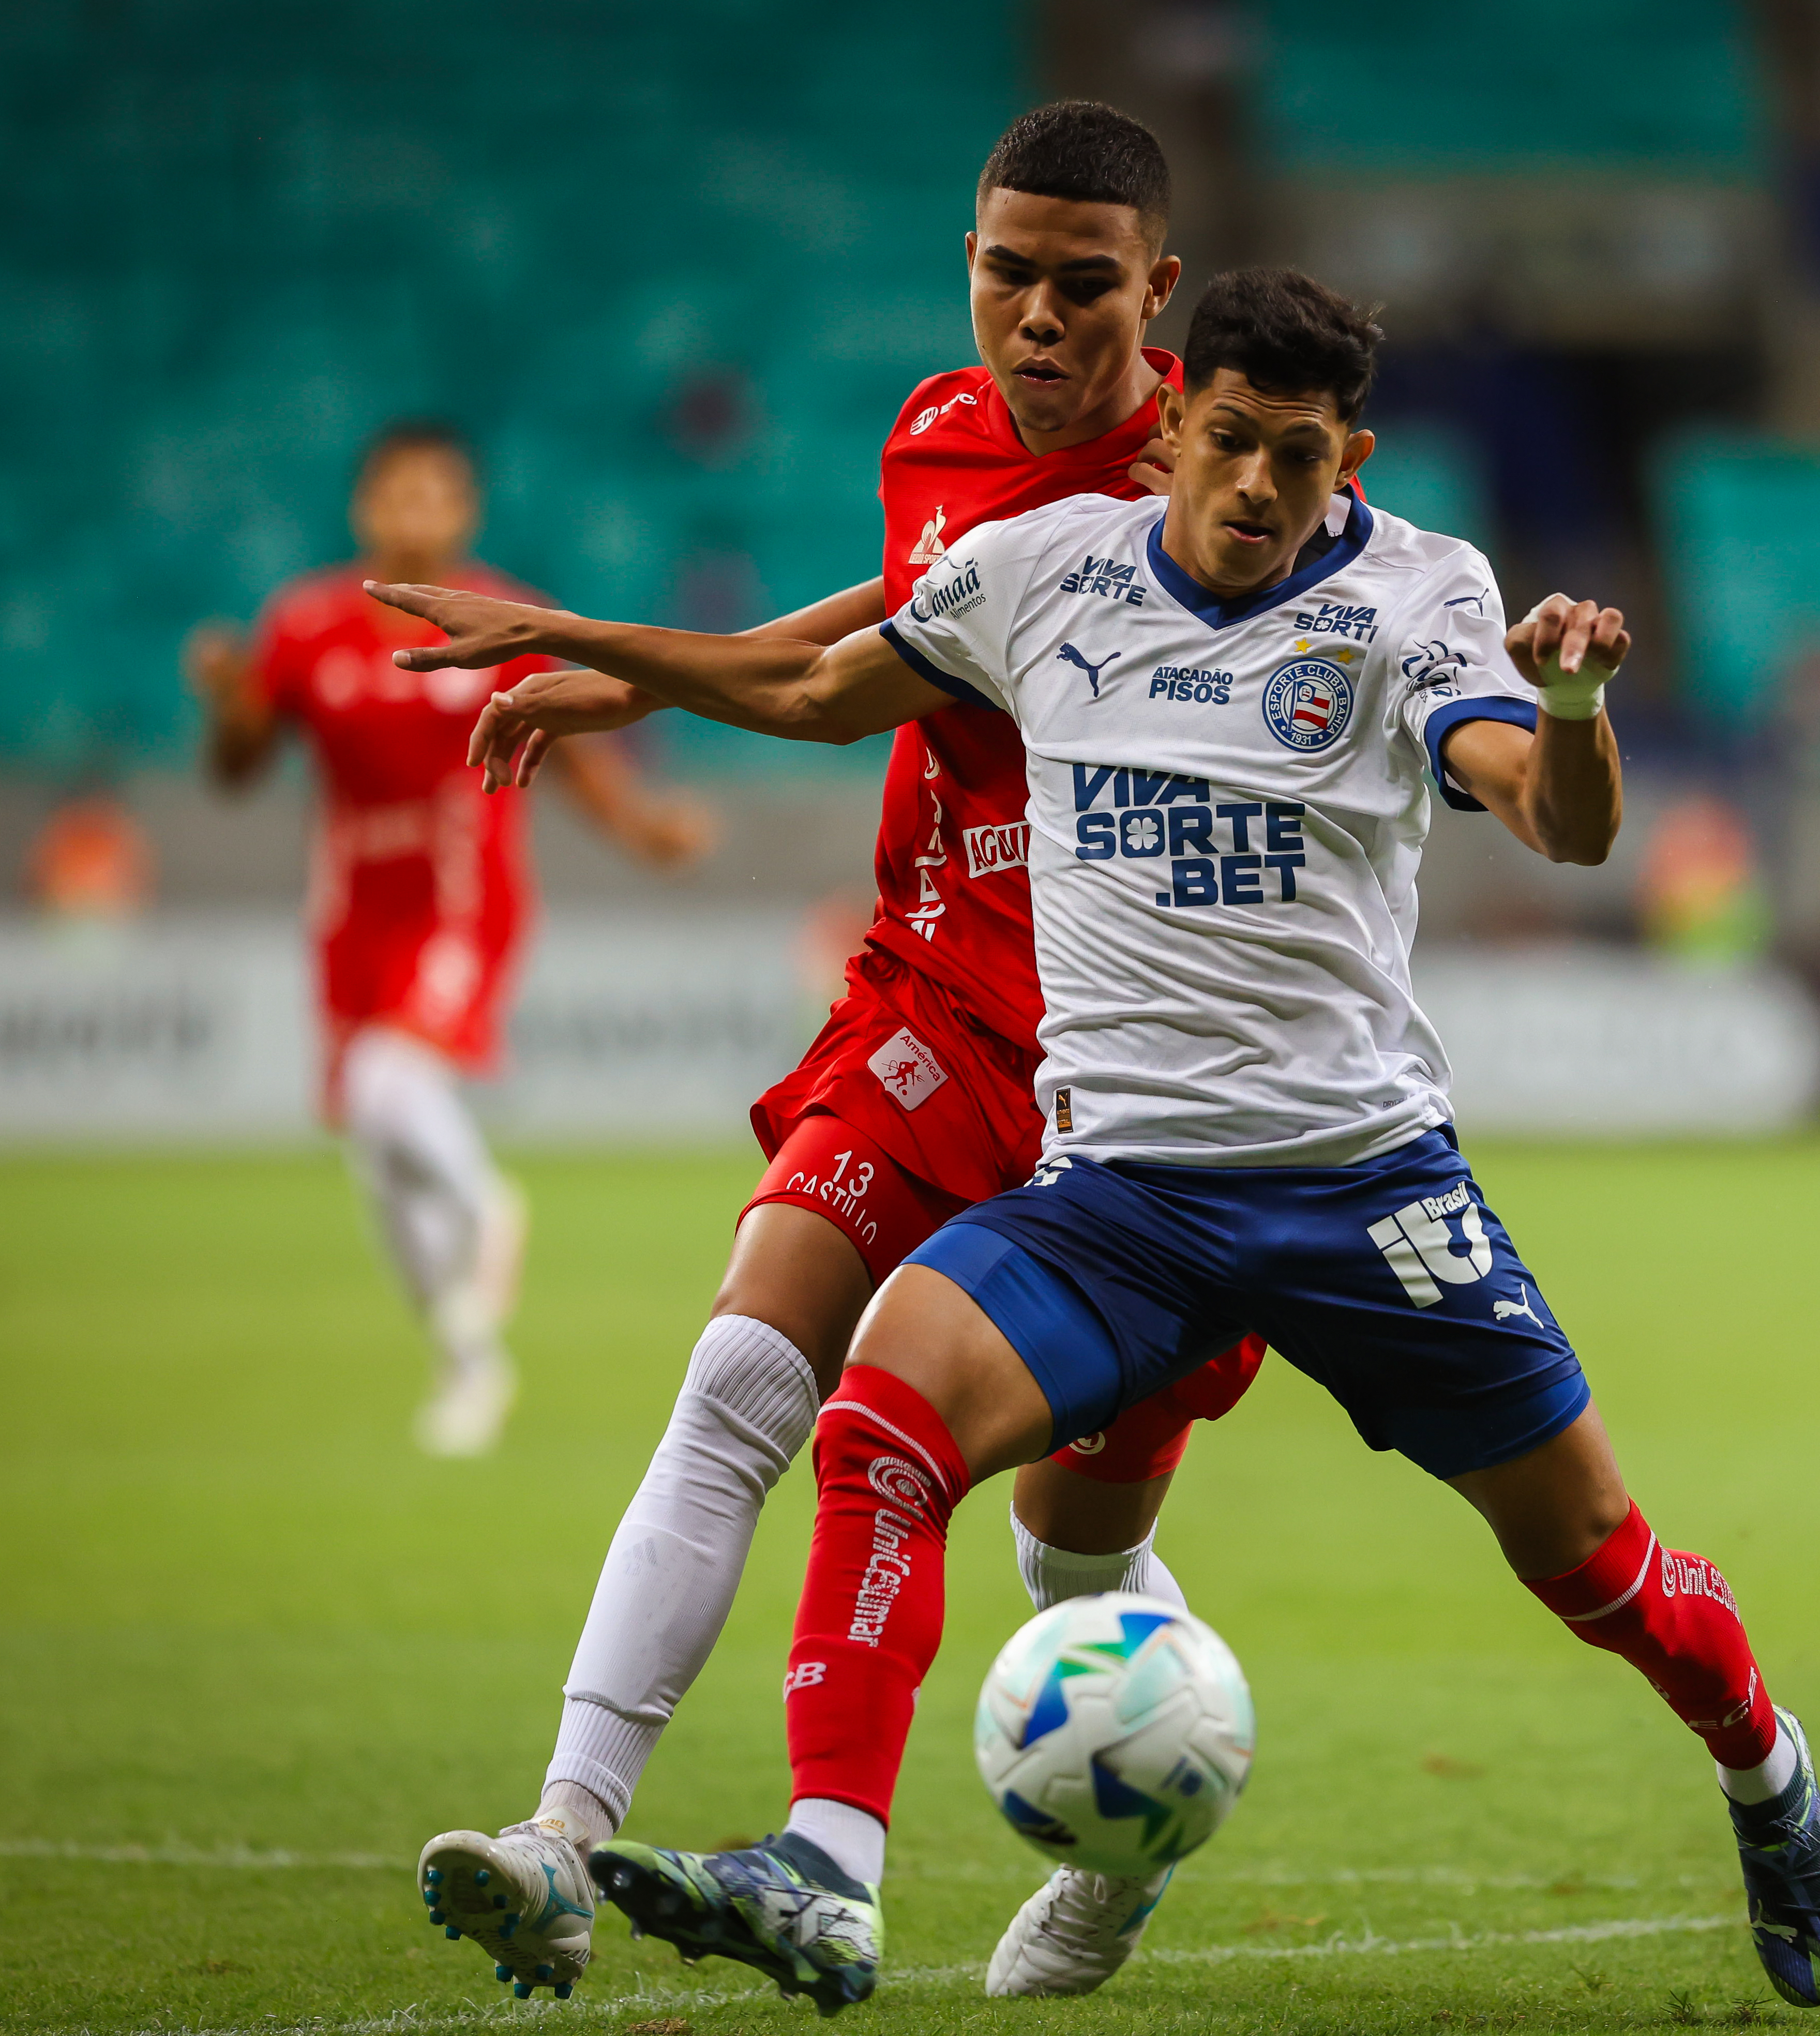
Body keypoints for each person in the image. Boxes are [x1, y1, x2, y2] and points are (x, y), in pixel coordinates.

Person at [380, 265, 1820, 2016]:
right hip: (1120, 1198)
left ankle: (1766, 1771)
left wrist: (1569, 707)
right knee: (876, 1416)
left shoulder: (1418, 592)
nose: (1258, 485)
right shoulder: (1038, 572)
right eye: (1230, 440)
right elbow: (814, 693)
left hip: (1361, 1191)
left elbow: (1561, 820)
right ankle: (827, 1866)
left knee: (1594, 1562)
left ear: (1349, 460)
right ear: (1173, 429)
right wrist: (582, 645)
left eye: (1299, 457)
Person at [407, 102, 1271, 2004]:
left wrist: (601, 645)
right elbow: (900, 606)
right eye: (1004, 273)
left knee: (1071, 1566)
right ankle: (560, 1835)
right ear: (967, 262)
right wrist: (629, 676)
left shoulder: (1212, 490)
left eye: (1081, 285)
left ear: (1158, 292)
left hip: (1131, 1078)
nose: (1035, 318)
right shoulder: (936, 426)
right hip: (931, 999)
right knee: (742, 1370)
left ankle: (1128, 1843)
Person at [187, 420, 710, 1458]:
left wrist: (641, 827)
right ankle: (468, 1358)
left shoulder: (506, 618)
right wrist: (227, 701)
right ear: (365, 507)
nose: (415, 512)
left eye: (436, 493)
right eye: (397, 493)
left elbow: (571, 742)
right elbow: (238, 766)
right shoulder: (305, 624)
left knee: (388, 1085)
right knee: (378, 1156)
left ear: (465, 510)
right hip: (350, 912)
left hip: (463, 900)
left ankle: (489, 1208)